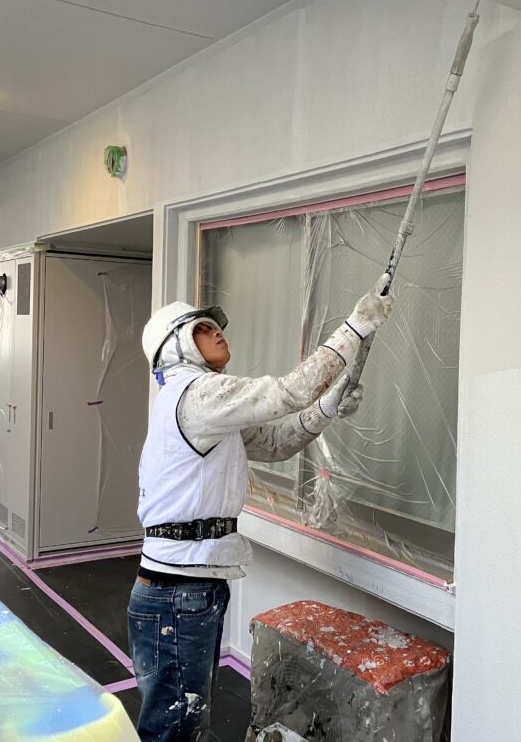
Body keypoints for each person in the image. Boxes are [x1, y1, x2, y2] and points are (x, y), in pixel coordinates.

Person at [128, 274, 393, 741]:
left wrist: (328, 406)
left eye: (214, 324)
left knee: (183, 724)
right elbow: (288, 392)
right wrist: (355, 327)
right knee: (175, 729)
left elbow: (274, 443)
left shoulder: (204, 405)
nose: (216, 331)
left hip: (187, 585)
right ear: (176, 347)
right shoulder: (197, 394)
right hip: (177, 590)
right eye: (200, 327)